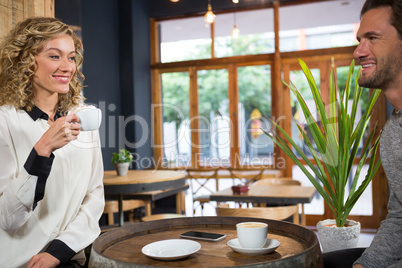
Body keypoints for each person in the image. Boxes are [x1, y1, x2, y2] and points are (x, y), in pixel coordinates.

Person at [0, 17, 105, 267]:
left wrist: (58, 252)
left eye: (71, 57)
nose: (67, 66)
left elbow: (95, 195)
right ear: (26, 61)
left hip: (69, 258)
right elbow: (8, 218)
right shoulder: (4, 122)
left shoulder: (84, 117)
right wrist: (42, 149)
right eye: (55, 56)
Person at [350, 0, 402, 267]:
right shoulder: (393, 133)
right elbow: (400, 218)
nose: (359, 51)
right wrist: (364, 265)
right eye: (360, 39)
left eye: (372, 38)